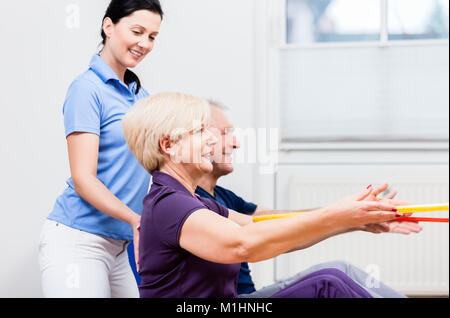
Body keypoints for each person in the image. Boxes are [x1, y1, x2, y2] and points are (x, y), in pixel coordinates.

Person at [122, 92, 404, 298]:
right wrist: (336, 215)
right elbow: (243, 245)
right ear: (169, 145)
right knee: (328, 285)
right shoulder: (169, 204)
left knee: (331, 277)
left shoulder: (196, 201)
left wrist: (352, 220)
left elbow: (267, 229)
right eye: (199, 131)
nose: (211, 139)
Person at [195, 100, 423, 298]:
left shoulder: (225, 197)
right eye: (225, 133)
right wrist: (343, 216)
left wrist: (355, 219)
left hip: (250, 294)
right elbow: (273, 236)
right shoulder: (193, 203)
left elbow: (286, 224)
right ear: (199, 138)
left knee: (340, 268)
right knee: (329, 280)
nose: (236, 143)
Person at [38, 0, 163, 298]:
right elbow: (83, 179)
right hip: (77, 241)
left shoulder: (141, 96)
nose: (144, 43)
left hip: (118, 246)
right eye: (137, 31)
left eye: (152, 37)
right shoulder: (87, 89)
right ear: (109, 26)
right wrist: (135, 218)